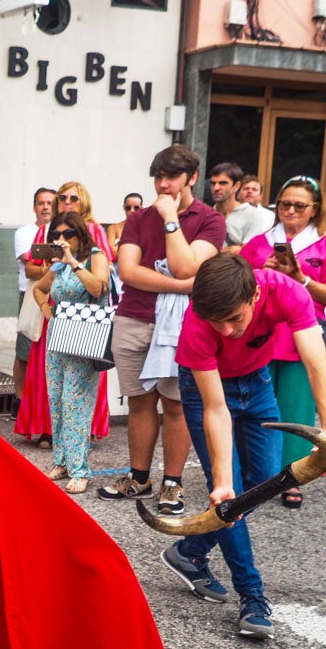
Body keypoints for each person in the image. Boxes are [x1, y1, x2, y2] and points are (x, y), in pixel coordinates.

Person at [166, 253, 326, 639]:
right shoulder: (197, 325)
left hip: (257, 380)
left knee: (266, 479)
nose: (228, 330)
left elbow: (317, 366)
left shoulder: (288, 292)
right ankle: (251, 594)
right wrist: (222, 481)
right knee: (231, 498)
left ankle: (189, 552)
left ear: (256, 295)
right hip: (206, 391)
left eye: (236, 318)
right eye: (219, 322)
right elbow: (216, 409)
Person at [98, 145, 225, 515]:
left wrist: (171, 220)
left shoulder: (209, 220)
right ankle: (139, 477)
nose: (163, 185)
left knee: (176, 405)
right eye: (158, 177)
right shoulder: (138, 218)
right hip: (134, 317)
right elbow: (128, 271)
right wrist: (183, 285)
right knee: (138, 402)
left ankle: (173, 483)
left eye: (171, 177)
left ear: (192, 178)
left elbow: (187, 267)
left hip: (182, 325)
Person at [240, 176, 326, 507]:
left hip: (304, 335)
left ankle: (292, 475)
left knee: (296, 408)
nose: (290, 210)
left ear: (314, 210)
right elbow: (236, 285)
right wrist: (263, 271)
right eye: (284, 204)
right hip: (262, 334)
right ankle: (253, 474)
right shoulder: (259, 242)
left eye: (299, 205)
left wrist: (303, 279)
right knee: (256, 407)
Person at [15, 181, 112, 446]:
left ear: (84, 202)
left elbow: (103, 277)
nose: (67, 201)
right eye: (62, 197)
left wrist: (74, 262)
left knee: (84, 379)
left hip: (87, 315)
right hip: (56, 311)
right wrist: (51, 269)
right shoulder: (48, 230)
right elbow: (32, 273)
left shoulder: (94, 233)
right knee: (51, 380)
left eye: (73, 198)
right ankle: (49, 430)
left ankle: (83, 434)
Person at [32, 211, 109, 494]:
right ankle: (62, 461)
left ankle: (80, 470)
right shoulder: (56, 266)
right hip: (58, 339)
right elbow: (39, 290)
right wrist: (46, 310)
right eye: (56, 235)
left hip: (84, 338)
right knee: (56, 399)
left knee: (75, 402)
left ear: (80, 234)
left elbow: (99, 287)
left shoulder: (94, 257)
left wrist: (73, 262)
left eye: (68, 234)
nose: (61, 240)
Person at [10, 188, 55, 408]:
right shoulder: (24, 233)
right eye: (41, 203)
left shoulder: (60, 232)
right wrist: (55, 267)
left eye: (49, 203)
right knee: (24, 351)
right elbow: (31, 267)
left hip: (55, 298)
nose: (45, 207)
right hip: (28, 295)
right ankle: (20, 399)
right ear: (34, 206)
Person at [208, 162, 274, 254]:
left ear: (236, 186)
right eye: (213, 183)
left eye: (223, 183)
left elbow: (249, 252)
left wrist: (210, 253)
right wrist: (231, 250)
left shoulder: (254, 215)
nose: (216, 188)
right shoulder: (206, 214)